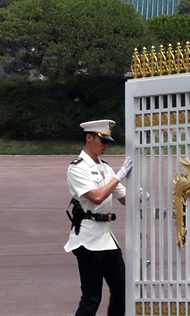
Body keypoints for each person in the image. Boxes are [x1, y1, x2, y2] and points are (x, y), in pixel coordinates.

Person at [64, 119, 134, 316]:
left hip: (106, 238)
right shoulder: (77, 168)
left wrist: (140, 195)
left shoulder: (105, 167)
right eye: (103, 140)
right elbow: (96, 197)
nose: (106, 145)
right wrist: (119, 176)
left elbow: (124, 198)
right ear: (89, 137)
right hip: (87, 239)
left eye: (108, 141)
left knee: (123, 290)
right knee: (92, 297)